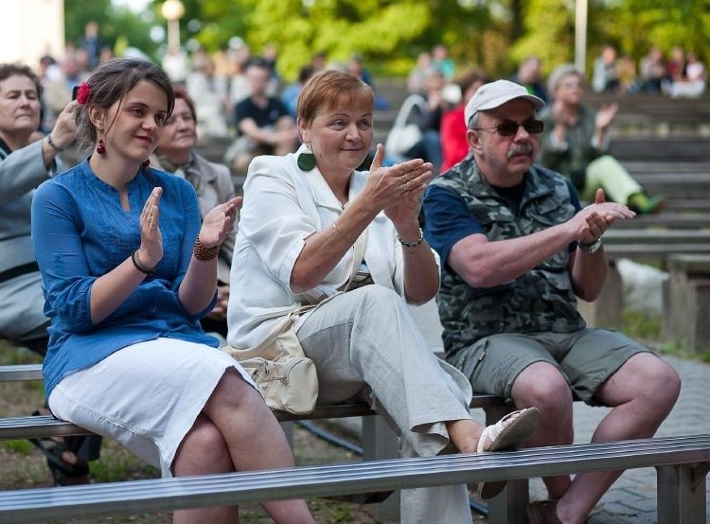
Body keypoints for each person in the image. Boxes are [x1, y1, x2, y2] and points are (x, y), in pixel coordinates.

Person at [227, 70, 539, 524]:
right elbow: (300, 272)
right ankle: (470, 436)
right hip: (283, 347)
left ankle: (464, 441)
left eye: (366, 122)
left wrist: (407, 225)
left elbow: (421, 290)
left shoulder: (375, 187)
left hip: (366, 354)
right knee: (380, 310)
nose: (356, 134)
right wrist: (367, 206)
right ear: (304, 128)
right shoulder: (272, 175)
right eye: (339, 123)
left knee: (427, 425)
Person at [30, 57, 314, 524]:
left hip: (174, 345)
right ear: (98, 114)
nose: (151, 125)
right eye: (138, 111)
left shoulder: (176, 193)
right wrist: (142, 261)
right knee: (224, 376)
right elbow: (75, 312)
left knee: (205, 444)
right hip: (87, 358)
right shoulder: (57, 197)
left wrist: (204, 249)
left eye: (159, 116)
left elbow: (193, 304)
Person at [422, 79, 682, 524]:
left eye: (531, 125)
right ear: (475, 140)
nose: (523, 137)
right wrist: (568, 230)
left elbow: (589, 289)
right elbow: (479, 267)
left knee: (659, 381)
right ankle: (565, 497)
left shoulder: (557, 187)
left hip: (565, 331)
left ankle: (567, 510)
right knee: (546, 388)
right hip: (486, 339)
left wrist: (591, 243)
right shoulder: (446, 193)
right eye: (506, 128)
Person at [0, 63, 95, 486]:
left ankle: (66, 439)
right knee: (88, 331)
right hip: (3, 293)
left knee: (102, 328)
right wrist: (53, 143)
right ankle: (64, 433)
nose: (25, 102)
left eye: (31, 95)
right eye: (12, 96)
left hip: (50, 286)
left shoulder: (43, 154)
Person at [151, 86, 235, 337]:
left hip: (222, 280)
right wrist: (201, 295)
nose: (183, 125)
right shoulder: (141, 177)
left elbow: (234, 243)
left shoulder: (218, 174)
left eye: (188, 117)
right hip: (172, 285)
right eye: (171, 120)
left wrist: (235, 288)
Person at [538, 64, 664, 214]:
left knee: (606, 163)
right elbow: (544, 161)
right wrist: (560, 127)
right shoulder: (544, 118)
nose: (575, 88)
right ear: (555, 91)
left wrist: (600, 131)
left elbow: (600, 157)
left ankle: (638, 202)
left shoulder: (591, 116)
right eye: (569, 85)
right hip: (556, 184)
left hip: (584, 181)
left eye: (579, 85)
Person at [224, 58, 298, 173]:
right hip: (252, 150)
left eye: (262, 78)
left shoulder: (277, 103)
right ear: (248, 79)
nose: (258, 82)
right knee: (244, 161)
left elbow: (288, 125)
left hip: (276, 150)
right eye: (254, 79)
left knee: (286, 137)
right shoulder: (242, 106)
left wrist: (285, 135)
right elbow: (252, 132)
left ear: (268, 80)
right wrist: (277, 138)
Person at [439, 69, 490, 173]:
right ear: (465, 93)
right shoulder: (452, 118)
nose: (480, 96)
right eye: (475, 90)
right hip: (457, 174)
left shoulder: (494, 118)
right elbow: (453, 156)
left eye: (484, 92)